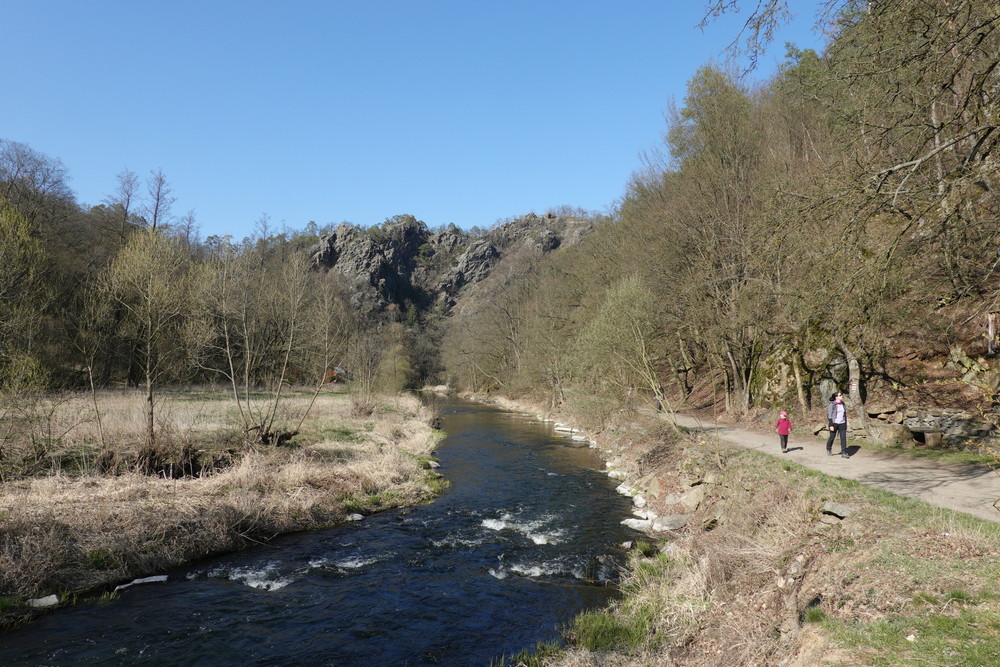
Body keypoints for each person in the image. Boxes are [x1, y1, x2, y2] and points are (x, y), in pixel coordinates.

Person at [826, 392, 849, 458]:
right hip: (834, 423)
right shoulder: (832, 405)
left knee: (843, 438)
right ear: (836, 397)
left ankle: (843, 452)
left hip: (842, 423)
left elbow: (844, 414)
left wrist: (845, 423)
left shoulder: (843, 404)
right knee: (832, 437)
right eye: (840, 395)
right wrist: (831, 425)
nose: (842, 396)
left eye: (841, 395)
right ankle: (829, 448)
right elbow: (829, 415)